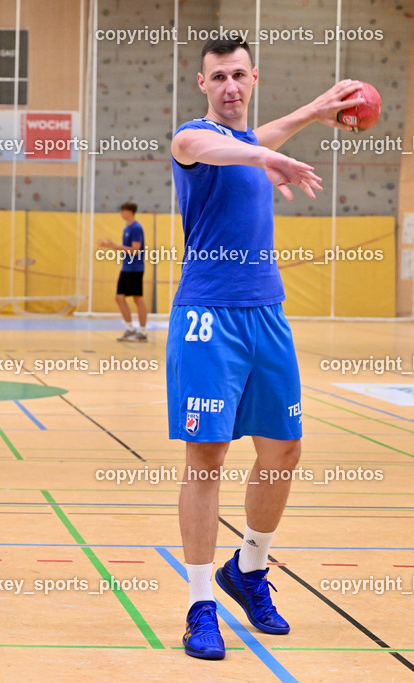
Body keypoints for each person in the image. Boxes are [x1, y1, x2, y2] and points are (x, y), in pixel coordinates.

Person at [169, 36, 363, 660]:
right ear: (202, 83)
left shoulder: (251, 142)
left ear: (254, 79)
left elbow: (256, 140)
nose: (229, 85)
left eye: (239, 76)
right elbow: (216, 149)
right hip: (207, 318)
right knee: (208, 456)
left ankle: (248, 570)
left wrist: (312, 112)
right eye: (218, 76)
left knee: (285, 448)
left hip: (266, 314)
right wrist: (263, 159)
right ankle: (201, 604)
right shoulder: (192, 140)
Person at [97, 201, 147, 341]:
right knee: (119, 298)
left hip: (135, 268)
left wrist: (115, 246)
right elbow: (125, 248)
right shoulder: (127, 227)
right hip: (126, 268)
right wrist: (110, 245)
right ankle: (130, 329)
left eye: (123, 210)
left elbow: (135, 251)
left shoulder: (136, 228)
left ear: (129, 212)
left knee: (138, 298)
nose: (121, 213)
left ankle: (142, 331)